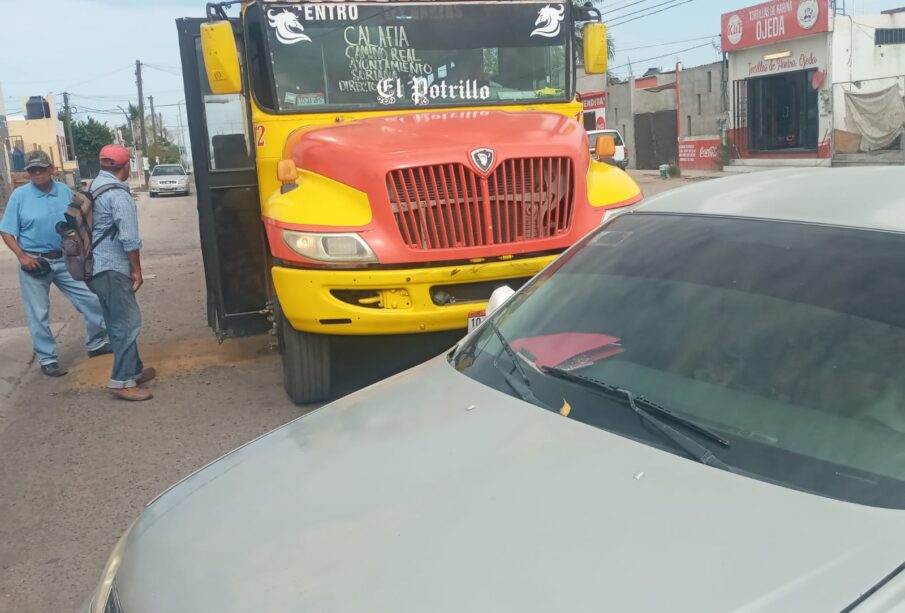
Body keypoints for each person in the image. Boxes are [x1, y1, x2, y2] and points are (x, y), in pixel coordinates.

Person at [0, 149, 110, 377]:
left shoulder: (63, 191)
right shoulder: (19, 197)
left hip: (65, 259)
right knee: (38, 313)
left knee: (92, 299)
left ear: (51, 169)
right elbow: (6, 230)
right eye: (33, 170)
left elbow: (78, 221)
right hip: (34, 262)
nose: (38, 173)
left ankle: (97, 342)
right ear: (28, 172)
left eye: (42, 168)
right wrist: (23, 257)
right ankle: (47, 358)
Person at [86, 145, 155, 401]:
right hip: (112, 268)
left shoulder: (94, 186)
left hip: (94, 267)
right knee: (128, 323)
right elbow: (129, 239)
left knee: (116, 323)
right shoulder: (119, 195)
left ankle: (133, 370)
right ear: (126, 166)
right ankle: (121, 381)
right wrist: (136, 270)